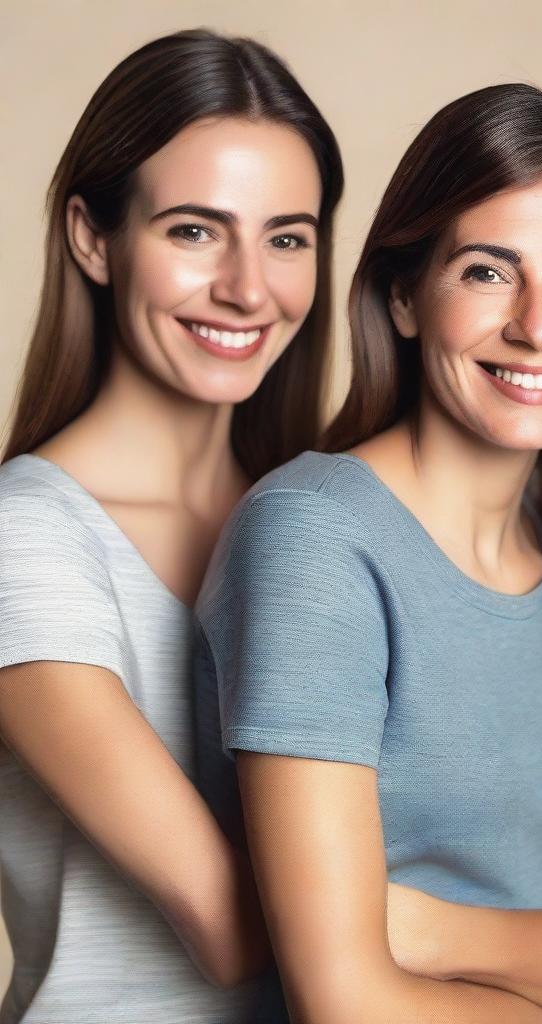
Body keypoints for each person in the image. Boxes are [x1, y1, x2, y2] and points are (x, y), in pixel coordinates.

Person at [195, 83, 542, 1023]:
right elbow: (344, 1002)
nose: (539, 325)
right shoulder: (313, 536)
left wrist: (428, 931)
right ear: (404, 296)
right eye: (488, 271)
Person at [0, 29, 343, 1023]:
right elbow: (229, 925)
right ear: (92, 236)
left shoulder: (321, 518)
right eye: (195, 230)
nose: (248, 287)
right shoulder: (25, 537)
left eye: (287, 237)